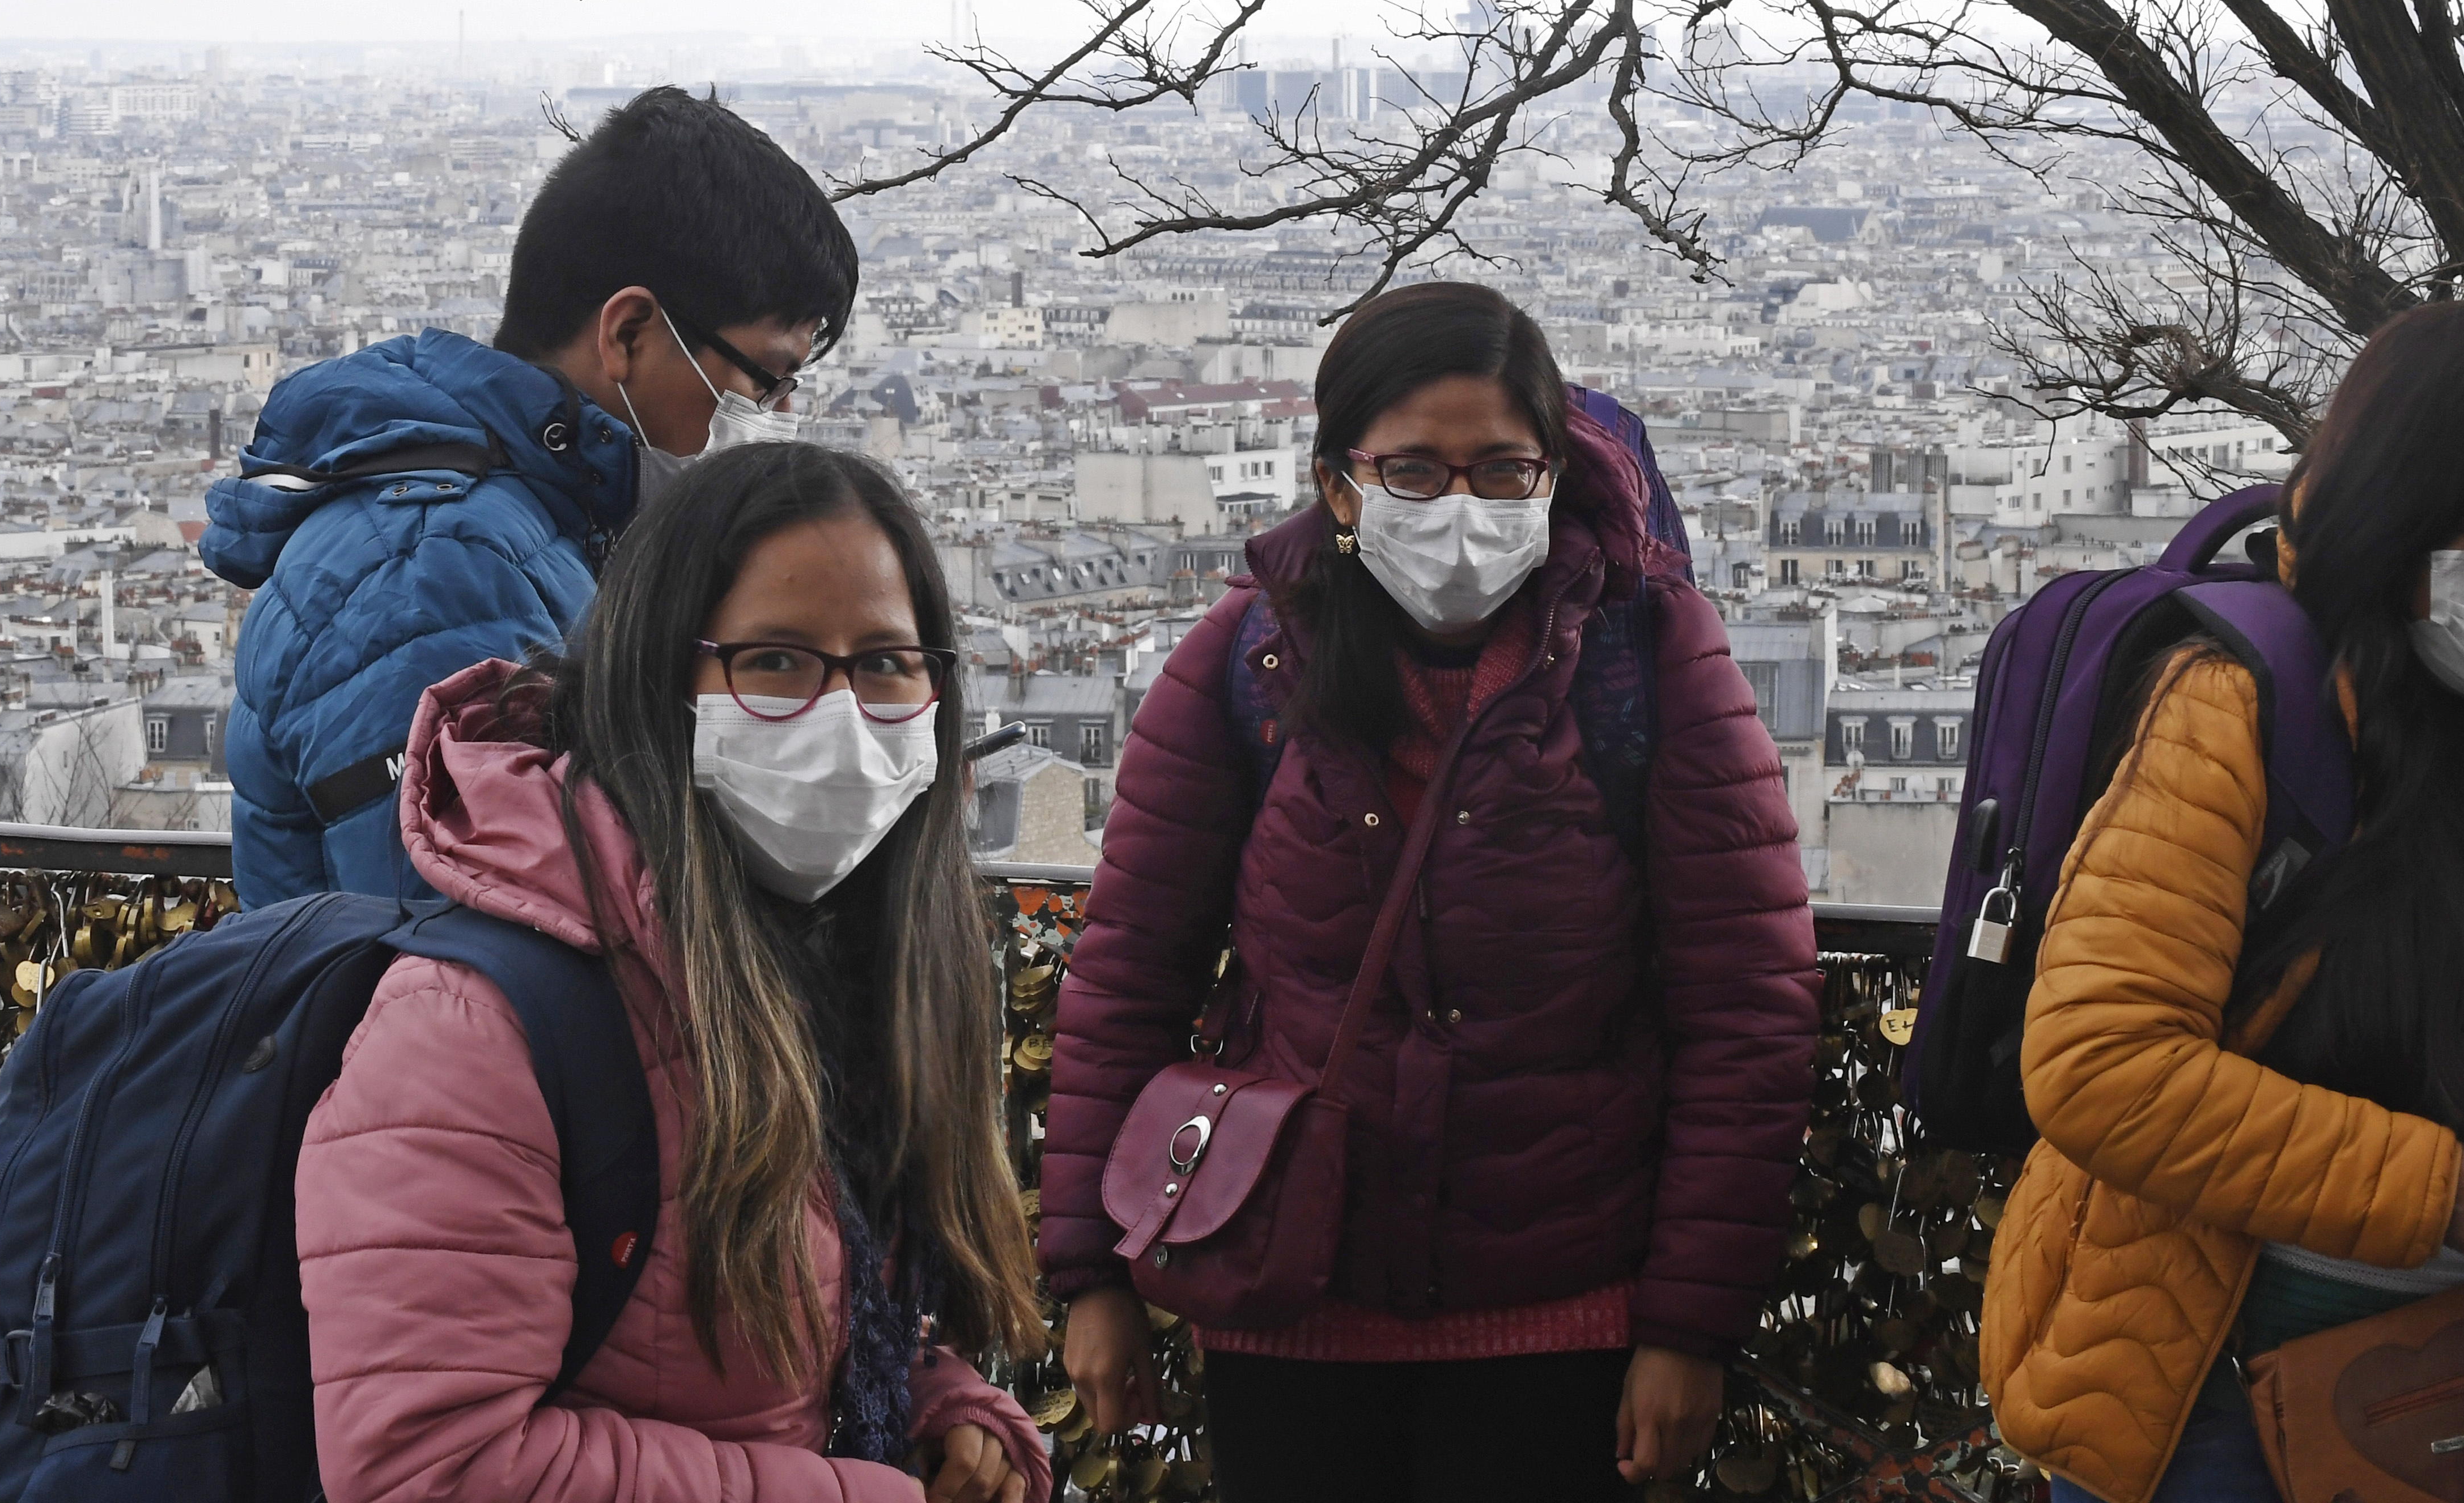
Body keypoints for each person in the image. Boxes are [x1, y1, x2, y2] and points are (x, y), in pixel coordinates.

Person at [1038, 282, 1821, 1502]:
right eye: (1415, 471)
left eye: (1501, 471)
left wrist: (1685, 1326)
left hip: (1561, 1317)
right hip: (1290, 1298)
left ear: (1555, 473)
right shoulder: (1249, 661)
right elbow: (1129, 967)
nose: (1461, 508)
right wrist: (1090, 1271)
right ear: (1340, 485)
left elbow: (1748, 1011)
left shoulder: (1650, 654)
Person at [1981, 297, 2464, 1503]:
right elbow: (2101, 1057)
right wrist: (2443, 1188)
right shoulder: (2240, 711)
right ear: (2395, 525)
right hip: (2229, 1405)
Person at [294, 441, 1052, 1503]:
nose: (842, 713)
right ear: (658, 677)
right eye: (775, 661)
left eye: (886, 663)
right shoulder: (472, 1030)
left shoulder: (835, 962)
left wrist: (935, 1405)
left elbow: (798, 1325)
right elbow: (429, 1468)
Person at [203, 86, 859, 908]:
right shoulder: (440, 566)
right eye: (767, 379)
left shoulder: (538, 526)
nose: (779, 418)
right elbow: (473, 927)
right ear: (628, 335)